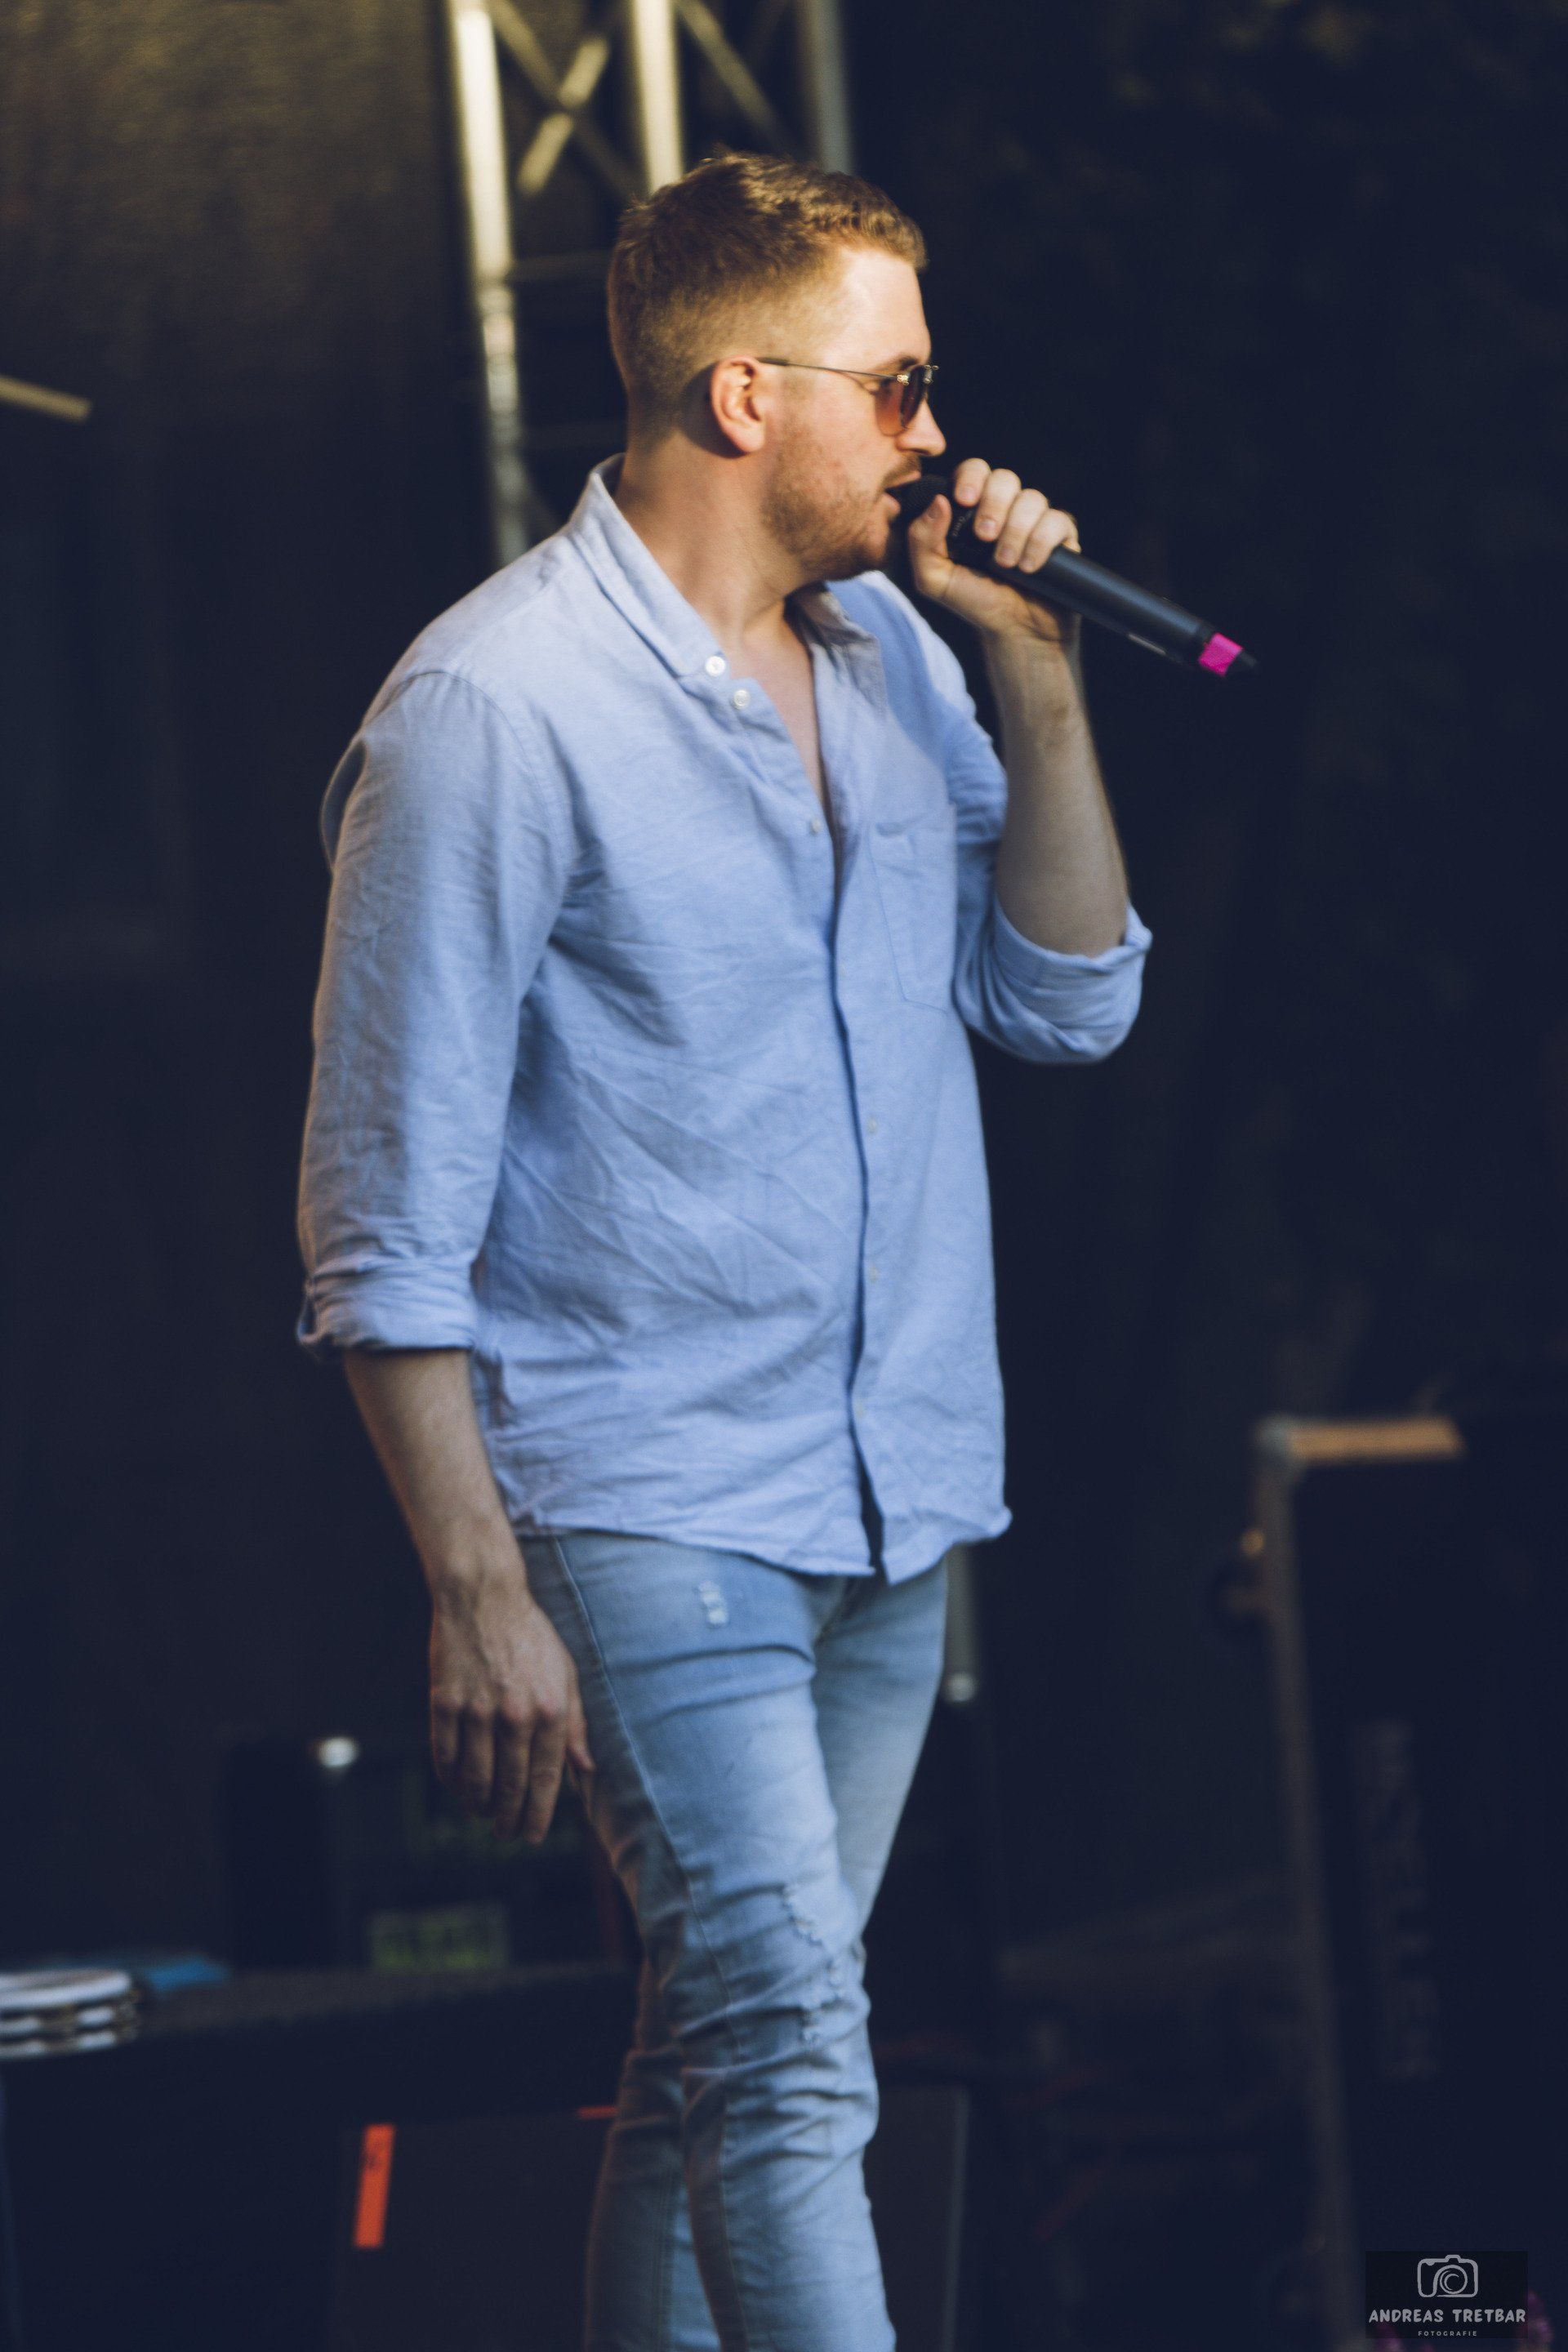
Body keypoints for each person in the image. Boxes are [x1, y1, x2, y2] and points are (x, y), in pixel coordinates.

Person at [296, 149, 1149, 2352]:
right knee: (788, 2060)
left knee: (716, 2062)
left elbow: (1069, 1001)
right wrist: (478, 1582)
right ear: (747, 396)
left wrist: (1037, 669)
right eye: (903, 387)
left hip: (889, 1485)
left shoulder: (901, 662)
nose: (939, 438)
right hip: (651, 1494)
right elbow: (382, 1203)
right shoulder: (495, 709)